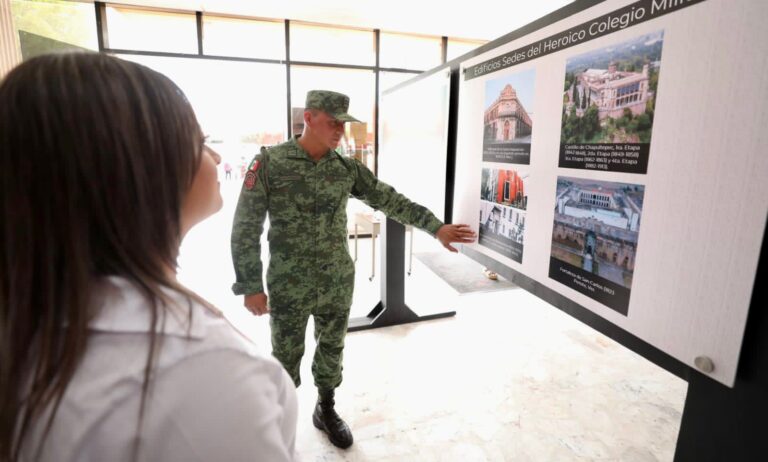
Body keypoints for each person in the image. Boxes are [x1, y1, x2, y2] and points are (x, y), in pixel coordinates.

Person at [0, 53, 299, 462]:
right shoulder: (200, 376)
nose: (213, 159)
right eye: (199, 142)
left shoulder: (32, 314)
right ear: (139, 170)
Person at [231, 90, 476, 449]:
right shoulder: (270, 163)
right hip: (288, 283)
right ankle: (278, 420)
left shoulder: (344, 168)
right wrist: (250, 284)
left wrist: (435, 227)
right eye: (332, 123)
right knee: (285, 355)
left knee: (331, 348)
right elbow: (245, 226)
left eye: (342, 126)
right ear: (309, 118)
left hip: (336, 280)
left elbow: (389, 198)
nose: (339, 133)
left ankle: (325, 409)